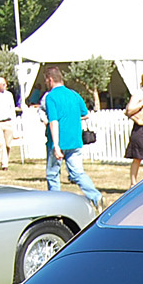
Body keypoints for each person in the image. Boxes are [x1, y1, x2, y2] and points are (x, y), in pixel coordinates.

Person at [42, 67, 102, 209]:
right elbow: (86, 114)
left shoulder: (51, 97)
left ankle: (55, 204)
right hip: (75, 140)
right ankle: (95, 196)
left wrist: (56, 145)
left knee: (53, 174)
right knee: (77, 172)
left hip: (58, 141)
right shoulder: (74, 94)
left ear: (50, 79)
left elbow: (53, 121)